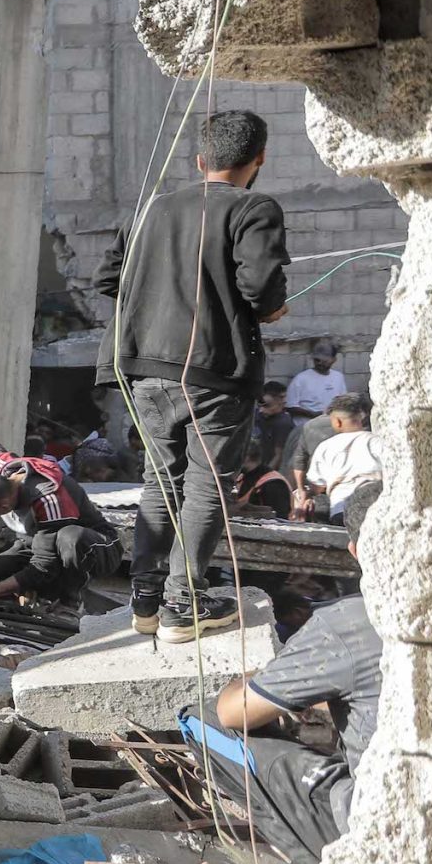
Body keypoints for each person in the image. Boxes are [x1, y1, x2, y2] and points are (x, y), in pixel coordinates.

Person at [97, 107, 290, 643]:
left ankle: (146, 600)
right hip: (215, 372)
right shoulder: (255, 208)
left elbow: (108, 277)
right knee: (208, 484)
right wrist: (272, 310)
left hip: (142, 367)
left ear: (200, 159)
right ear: (259, 161)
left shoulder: (150, 208)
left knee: (160, 479)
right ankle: (184, 606)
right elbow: (262, 288)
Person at [186, 486, 385, 864]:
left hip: (372, 820)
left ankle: (319, 861)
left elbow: (233, 712)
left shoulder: (349, 622)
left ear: (355, 551)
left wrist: (259, 676)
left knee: (202, 720)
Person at [0, 443, 121, 610]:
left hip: (96, 546)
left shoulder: (48, 501)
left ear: (3, 507)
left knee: (70, 538)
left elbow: (44, 565)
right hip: (39, 539)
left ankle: (70, 602)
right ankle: (30, 598)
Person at [302, 393, 381, 522]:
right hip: (376, 508)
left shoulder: (326, 446)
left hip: (342, 509)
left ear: (337, 422)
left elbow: (318, 486)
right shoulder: (376, 441)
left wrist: (307, 495)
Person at [235, 381, 302, 515]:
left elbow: (279, 454)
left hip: (266, 470)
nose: (261, 410)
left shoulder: (282, 423)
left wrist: (264, 473)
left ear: (281, 400)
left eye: (267, 406)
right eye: (261, 405)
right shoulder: (259, 417)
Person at [287, 339, 349, 416]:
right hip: (307, 425)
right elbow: (290, 407)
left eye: (324, 361)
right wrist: (312, 414)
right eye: (317, 360)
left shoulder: (338, 377)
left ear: (333, 360)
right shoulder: (301, 379)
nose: (320, 363)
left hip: (330, 423)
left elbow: (343, 401)